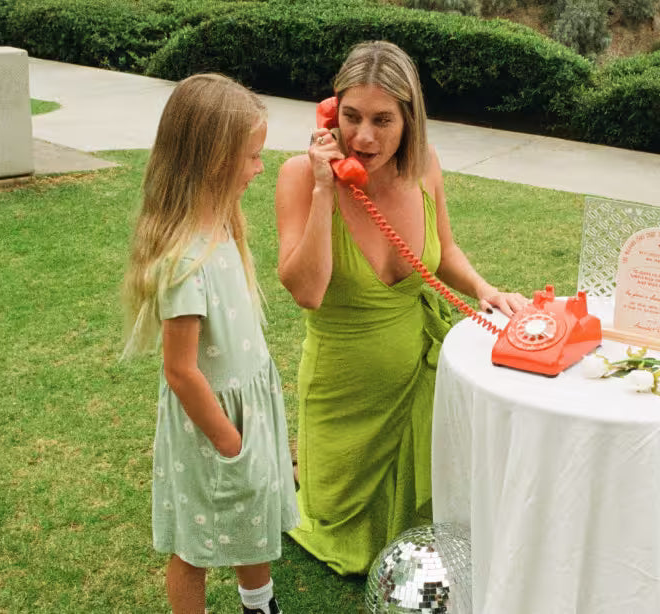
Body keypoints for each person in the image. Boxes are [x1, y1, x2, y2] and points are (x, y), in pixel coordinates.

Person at [273, 41, 528, 575]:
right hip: (344, 387)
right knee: (336, 522)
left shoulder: (425, 166)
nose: (363, 137)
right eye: (350, 117)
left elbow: (445, 249)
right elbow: (307, 292)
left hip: (418, 373)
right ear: (330, 113)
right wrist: (325, 191)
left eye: (383, 120)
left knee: (436, 523)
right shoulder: (299, 175)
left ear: (411, 120)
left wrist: (485, 289)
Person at [121, 73, 296, 614]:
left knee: (255, 512)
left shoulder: (224, 227)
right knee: (194, 545)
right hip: (211, 427)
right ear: (214, 160)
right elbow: (181, 371)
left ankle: (258, 603)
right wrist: (230, 441)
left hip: (246, 412)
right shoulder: (183, 259)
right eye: (251, 157)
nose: (259, 169)